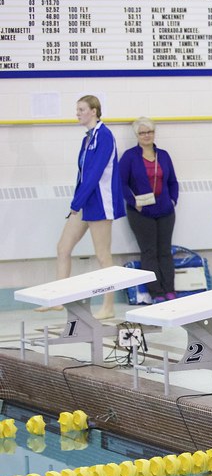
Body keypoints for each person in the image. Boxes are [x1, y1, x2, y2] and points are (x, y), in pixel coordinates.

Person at [43, 95, 125, 319]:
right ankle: (59, 299)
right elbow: (82, 175)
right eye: (77, 109)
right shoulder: (87, 138)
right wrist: (76, 203)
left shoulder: (104, 136)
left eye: (81, 109)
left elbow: (95, 174)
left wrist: (75, 203)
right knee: (63, 248)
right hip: (85, 201)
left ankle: (108, 306)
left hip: (99, 201)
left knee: (102, 254)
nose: (77, 113)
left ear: (94, 111)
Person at [120, 117, 179, 303]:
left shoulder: (164, 155)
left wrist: (173, 200)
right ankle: (156, 292)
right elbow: (120, 183)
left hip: (165, 211)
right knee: (149, 252)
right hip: (141, 213)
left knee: (165, 251)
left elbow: (173, 181)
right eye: (142, 133)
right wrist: (132, 200)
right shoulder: (130, 156)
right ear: (137, 135)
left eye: (150, 132)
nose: (146, 136)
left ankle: (170, 289)